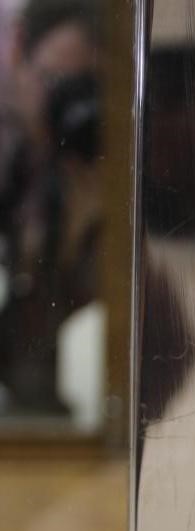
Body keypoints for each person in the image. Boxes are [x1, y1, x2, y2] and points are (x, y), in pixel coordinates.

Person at [0, 0, 103, 416]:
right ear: (17, 55)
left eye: (87, 90)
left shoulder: (99, 166)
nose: (69, 109)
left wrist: (91, 221)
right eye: (56, 82)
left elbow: (173, 349)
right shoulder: (9, 144)